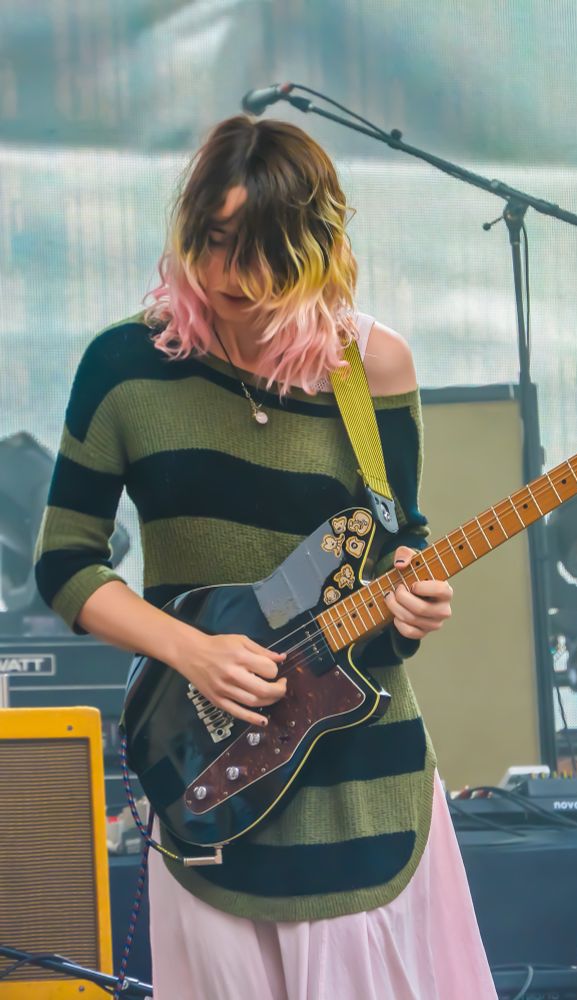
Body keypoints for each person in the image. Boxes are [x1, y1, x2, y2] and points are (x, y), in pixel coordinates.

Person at [35, 115, 495, 999]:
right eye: (214, 241)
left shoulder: (372, 366)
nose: (230, 275)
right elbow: (65, 563)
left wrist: (412, 604)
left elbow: (400, 543)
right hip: (207, 779)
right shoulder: (123, 368)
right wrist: (191, 651)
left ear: (315, 248)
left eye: (262, 252)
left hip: (361, 784)